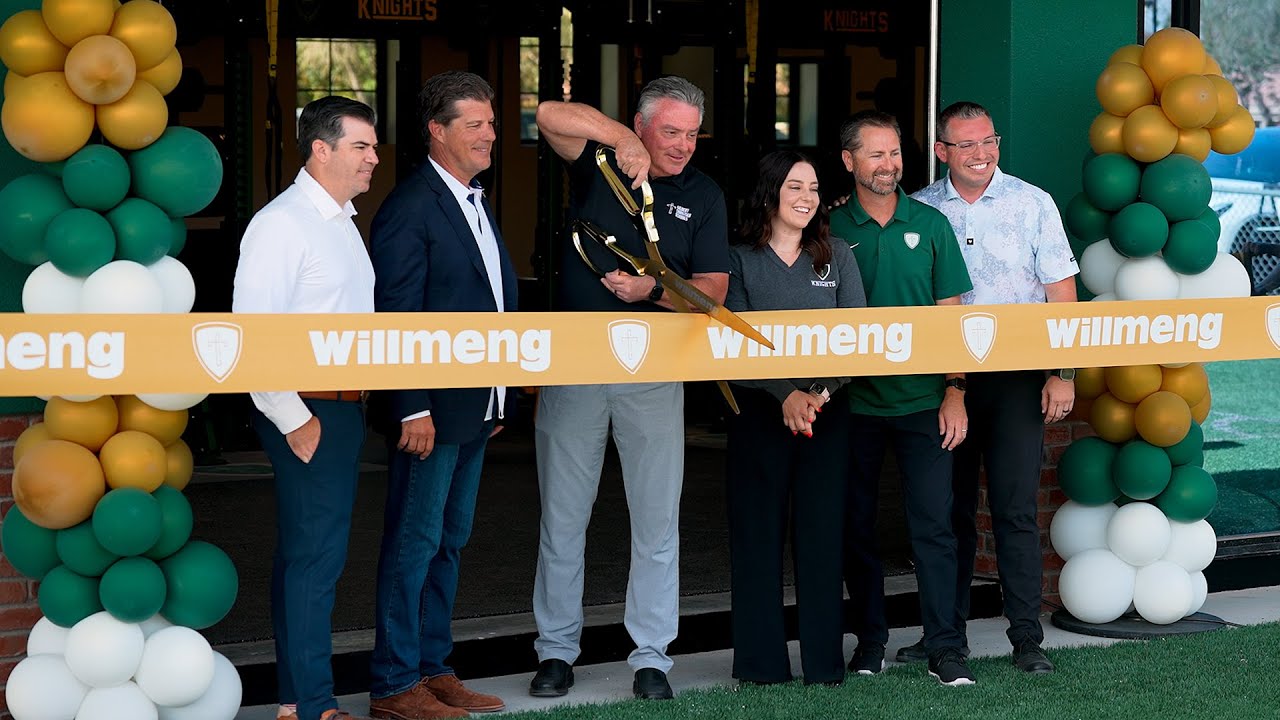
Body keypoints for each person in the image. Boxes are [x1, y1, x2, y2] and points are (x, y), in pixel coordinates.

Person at [530, 76, 729, 701]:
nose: (683, 146)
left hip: (654, 375)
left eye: (692, 134)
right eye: (670, 131)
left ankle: (651, 658)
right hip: (575, 367)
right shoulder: (602, 159)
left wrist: (654, 293)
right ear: (642, 125)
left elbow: (714, 294)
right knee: (563, 518)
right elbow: (548, 113)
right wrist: (618, 138)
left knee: (656, 522)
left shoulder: (704, 193)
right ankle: (556, 652)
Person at [902, 100, 1079, 674]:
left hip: (1017, 378)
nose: (981, 154)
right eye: (967, 144)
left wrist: (1062, 371)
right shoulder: (920, 209)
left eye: (989, 141)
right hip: (944, 380)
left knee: (1014, 511)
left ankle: (1027, 640)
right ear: (941, 151)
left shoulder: (1033, 202)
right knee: (944, 512)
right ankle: (941, 636)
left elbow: (1062, 293)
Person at [366, 70, 514, 720]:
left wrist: (498, 397)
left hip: (474, 409)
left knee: (449, 541)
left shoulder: (474, 200)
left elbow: (492, 308)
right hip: (430, 412)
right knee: (414, 543)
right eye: (475, 124)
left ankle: (432, 669)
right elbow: (395, 313)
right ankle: (396, 686)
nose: (490, 134)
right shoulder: (410, 207)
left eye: (491, 122)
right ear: (438, 129)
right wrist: (412, 403)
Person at [232, 95, 380, 720]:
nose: (374, 157)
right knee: (315, 559)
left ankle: (298, 701)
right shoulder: (281, 224)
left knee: (309, 556)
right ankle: (315, 706)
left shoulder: (339, 219)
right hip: (308, 412)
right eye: (361, 147)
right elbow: (251, 332)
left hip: (343, 411)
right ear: (321, 149)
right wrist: (296, 421)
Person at [828, 110, 977, 686]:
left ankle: (945, 647)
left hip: (924, 403)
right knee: (856, 529)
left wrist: (955, 391)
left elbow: (953, 320)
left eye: (894, 153)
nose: (889, 165)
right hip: (852, 407)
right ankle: (870, 642)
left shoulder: (933, 224)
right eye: (875, 154)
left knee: (933, 528)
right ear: (849, 162)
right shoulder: (832, 230)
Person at [724, 150, 866, 686]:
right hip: (759, 415)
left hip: (826, 415)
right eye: (794, 188)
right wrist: (785, 395)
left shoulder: (839, 256)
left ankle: (824, 665)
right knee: (757, 537)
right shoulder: (737, 259)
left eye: (812, 188)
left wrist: (816, 394)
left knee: (822, 536)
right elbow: (732, 339)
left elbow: (857, 340)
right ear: (769, 194)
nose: (807, 198)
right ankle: (761, 667)